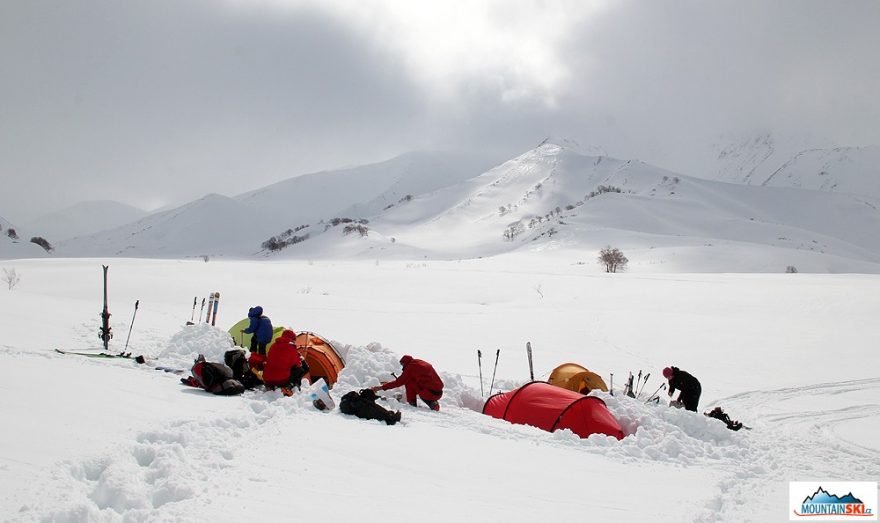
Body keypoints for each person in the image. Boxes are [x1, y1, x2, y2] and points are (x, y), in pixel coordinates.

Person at [370, 355, 443, 411]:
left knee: (408, 382)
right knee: (411, 380)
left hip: (429, 394)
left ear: (405, 362)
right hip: (438, 393)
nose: (402, 367)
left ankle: (412, 403)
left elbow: (399, 382)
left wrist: (380, 388)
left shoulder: (410, 367)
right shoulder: (418, 362)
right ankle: (433, 403)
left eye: (402, 364)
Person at [263, 329, 309, 393]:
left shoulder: (273, 345)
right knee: (300, 370)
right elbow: (298, 364)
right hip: (280, 380)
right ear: (292, 339)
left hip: (267, 379)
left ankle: (272, 385)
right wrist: (299, 358)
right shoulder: (290, 347)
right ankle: (291, 386)